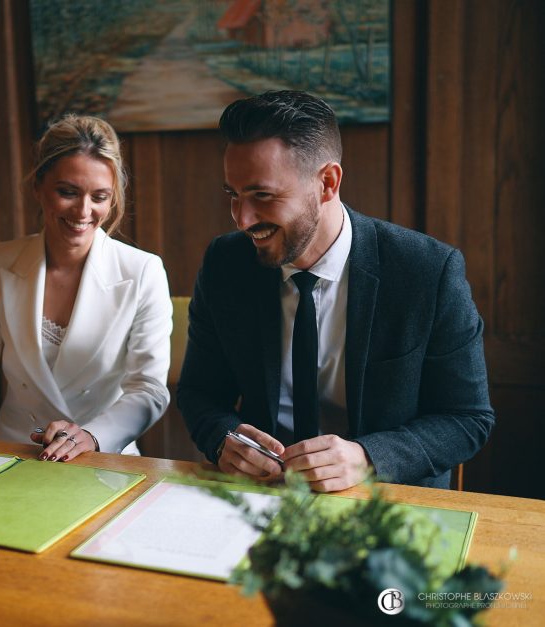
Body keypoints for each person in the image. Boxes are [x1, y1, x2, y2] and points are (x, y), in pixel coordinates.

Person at [178, 90, 494, 491]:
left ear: (327, 182)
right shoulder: (225, 262)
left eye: (262, 196)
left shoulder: (427, 271)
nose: (242, 219)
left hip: (390, 500)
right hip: (265, 499)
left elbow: (467, 418)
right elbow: (199, 392)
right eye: (233, 195)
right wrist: (223, 437)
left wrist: (367, 458)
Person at [0, 114, 172, 462]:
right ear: (38, 187)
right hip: (14, 452)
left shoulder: (143, 271)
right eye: (67, 192)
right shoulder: (0, 261)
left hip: (103, 454)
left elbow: (149, 389)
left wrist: (92, 437)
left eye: (99, 196)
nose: (84, 211)